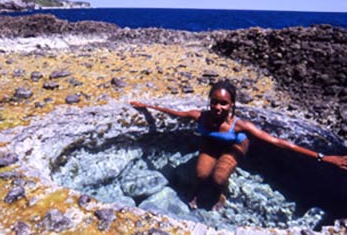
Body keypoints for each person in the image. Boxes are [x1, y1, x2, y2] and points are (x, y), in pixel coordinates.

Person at [130, 80, 347, 210]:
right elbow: (174, 112)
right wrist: (146, 105)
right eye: (214, 101)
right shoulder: (201, 117)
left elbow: (278, 142)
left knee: (218, 177)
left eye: (223, 103)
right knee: (201, 174)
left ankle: (221, 192)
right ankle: (195, 191)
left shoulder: (240, 125)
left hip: (234, 146)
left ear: (231, 104)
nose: (217, 107)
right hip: (211, 144)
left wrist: (322, 157)